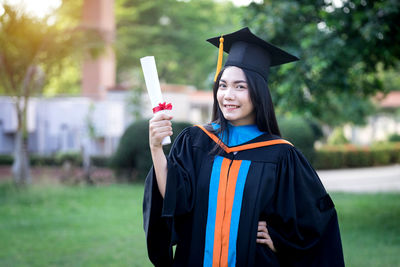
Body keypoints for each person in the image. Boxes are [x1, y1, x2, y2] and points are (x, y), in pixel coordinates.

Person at [143, 27, 345, 267]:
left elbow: (316, 219)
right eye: (223, 85)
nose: (228, 95)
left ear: (258, 93)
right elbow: (174, 198)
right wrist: (156, 148)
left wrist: (280, 239)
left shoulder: (281, 154)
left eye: (240, 87)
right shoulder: (196, 140)